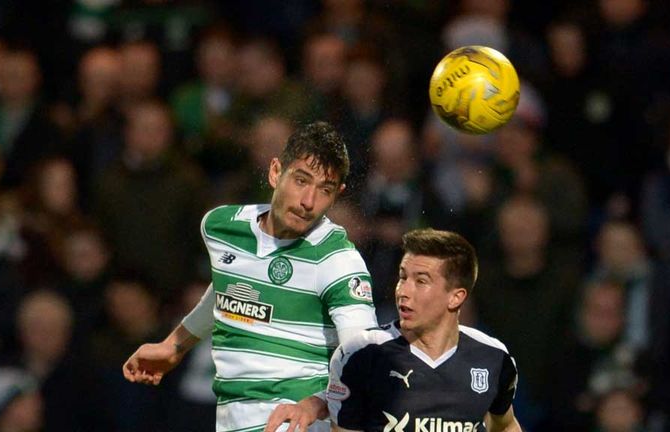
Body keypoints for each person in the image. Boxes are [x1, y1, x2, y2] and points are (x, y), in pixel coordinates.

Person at [123, 121, 378, 432]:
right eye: (301, 180)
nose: (308, 201)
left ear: (337, 195)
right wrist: (174, 346)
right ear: (275, 172)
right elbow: (227, 288)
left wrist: (316, 403)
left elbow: (365, 362)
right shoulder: (222, 228)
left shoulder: (338, 260)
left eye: (324, 190)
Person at [266, 228, 522, 432]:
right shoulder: (361, 355)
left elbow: (506, 425)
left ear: (455, 298)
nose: (403, 291)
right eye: (402, 277)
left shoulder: (493, 358)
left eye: (421, 281)